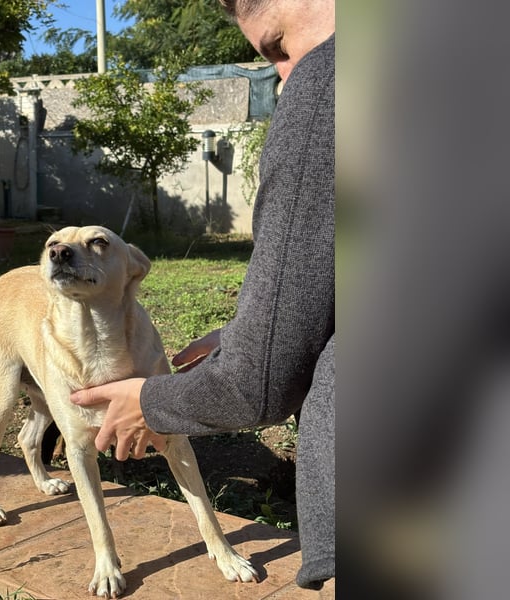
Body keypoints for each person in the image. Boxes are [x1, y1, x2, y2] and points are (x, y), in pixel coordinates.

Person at [70, 0, 335, 589]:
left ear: (137, 269)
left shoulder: (328, 92)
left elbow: (258, 381)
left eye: (280, 48)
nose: (286, 80)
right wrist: (251, 334)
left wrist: (156, 402)